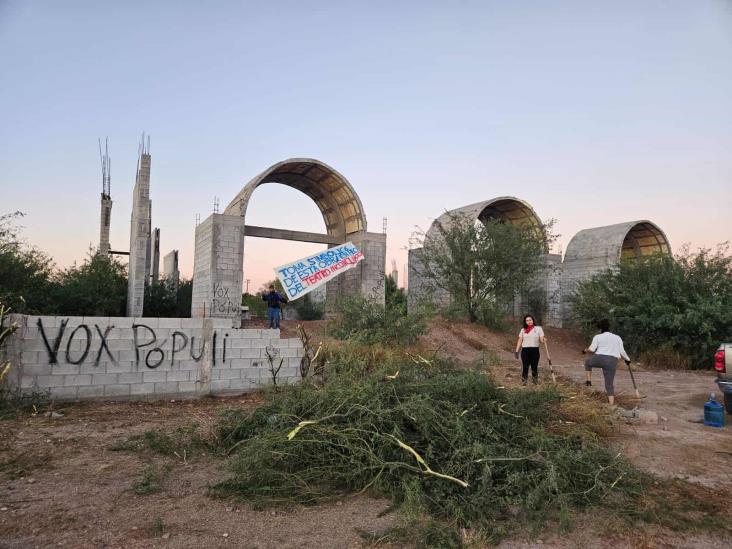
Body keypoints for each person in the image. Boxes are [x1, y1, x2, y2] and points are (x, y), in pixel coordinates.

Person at [583, 319, 630, 405]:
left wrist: (585, 350)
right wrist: (628, 360)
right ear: (609, 327)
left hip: (599, 358)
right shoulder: (617, 337)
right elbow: (622, 351)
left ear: (600, 329)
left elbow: (592, 349)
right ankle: (611, 405)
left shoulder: (597, 336)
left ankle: (588, 382)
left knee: (587, 362)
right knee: (609, 384)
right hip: (612, 361)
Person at [514, 314, 548, 385]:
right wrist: (517, 351)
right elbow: (520, 340)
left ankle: (535, 382)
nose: (529, 321)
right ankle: (524, 382)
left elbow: (541, 339)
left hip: (535, 350)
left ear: (533, 320)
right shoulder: (523, 330)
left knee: (534, 366)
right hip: (525, 351)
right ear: (525, 322)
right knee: (525, 366)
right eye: (527, 320)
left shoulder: (538, 328)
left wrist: (543, 339)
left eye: (530, 320)